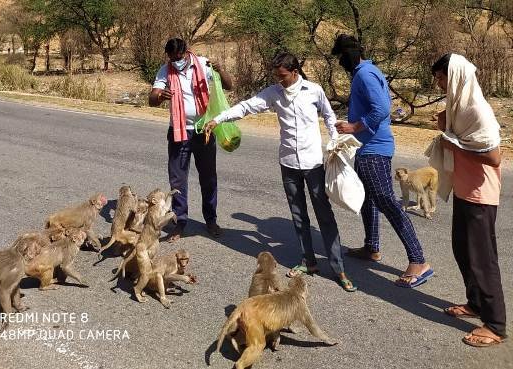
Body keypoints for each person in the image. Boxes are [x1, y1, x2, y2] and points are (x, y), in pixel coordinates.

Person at [205, 52, 357, 292]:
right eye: (276, 75)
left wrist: (335, 140)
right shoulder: (274, 92)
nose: (279, 80)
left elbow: (329, 115)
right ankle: (308, 261)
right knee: (298, 216)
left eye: (282, 75)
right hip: (288, 163)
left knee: (324, 215)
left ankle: (338, 268)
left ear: (294, 72)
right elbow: (247, 107)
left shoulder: (313, 90)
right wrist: (218, 119)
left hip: (314, 163)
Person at [331, 34, 433, 288]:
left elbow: (381, 109)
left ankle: (418, 260)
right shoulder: (368, 72)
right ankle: (371, 247)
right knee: (368, 199)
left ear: (349, 55)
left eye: (341, 57)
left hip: (374, 149)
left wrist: (354, 126)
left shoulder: (365, 74)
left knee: (387, 202)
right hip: (367, 147)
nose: (340, 62)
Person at [430, 53, 506, 347]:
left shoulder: (478, 110)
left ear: (456, 76)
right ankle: (475, 304)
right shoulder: (458, 103)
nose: (437, 83)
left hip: (481, 194)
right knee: (462, 251)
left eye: (440, 77)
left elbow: (494, 156)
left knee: (482, 260)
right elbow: (452, 132)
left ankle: (496, 325)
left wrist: (455, 145)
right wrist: (444, 125)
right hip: (464, 189)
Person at [149, 38, 233, 242]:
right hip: (179, 132)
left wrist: (220, 69)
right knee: (177, 180)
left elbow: (229, 85)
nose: (176, 61)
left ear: (187, 52)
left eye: (179, 57)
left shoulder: (203, 64)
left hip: (204, 130)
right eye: (172, 58)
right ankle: (180, 223)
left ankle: (211, 220)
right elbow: (151, 100)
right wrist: (160, 96)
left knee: (208, 178)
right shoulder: (165, 70)